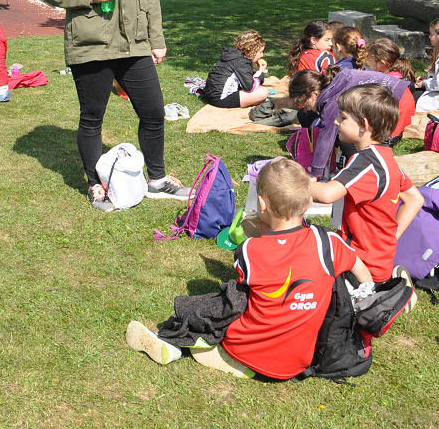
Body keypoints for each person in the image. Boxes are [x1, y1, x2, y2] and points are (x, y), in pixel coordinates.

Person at [127, 158, 373, 379]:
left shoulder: (250, 250)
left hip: (247, 351)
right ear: (309, 202)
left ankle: (181, 341)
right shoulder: (328, 242)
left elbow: (239, 300)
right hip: (299, 361)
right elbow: (362, 273)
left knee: (224, 302)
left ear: (262, 204)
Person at [41, 0, 188, 211]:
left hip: (134, 41)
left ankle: (157, 180)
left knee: (153, 112)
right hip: (91, 42)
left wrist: (156, 38)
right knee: (93, 117)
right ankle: (97, 185)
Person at [310, 84, 425, 287]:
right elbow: (415, 199)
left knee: (306, 245)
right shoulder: (386, 158)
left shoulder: (365, 163)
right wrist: (392, 238)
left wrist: (292, 180)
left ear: (363, 125)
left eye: (343, 118)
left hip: (361, 266)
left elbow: (327, 194)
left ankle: (386, 296)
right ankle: (390, 289)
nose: (336, 121)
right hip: (380, 262)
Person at [289, 67, 416, 177]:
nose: (309, 109)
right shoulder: (335, 82)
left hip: (398, 102)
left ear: (314, 94)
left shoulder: (332, 102)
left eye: (306, 104)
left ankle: (366, 173)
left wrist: (315, 172)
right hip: (401, 94)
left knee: (358, 140)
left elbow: (326, 138)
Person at [203, 29, 269, 109]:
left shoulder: (233, 55)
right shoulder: (243, 62)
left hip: (210, 94)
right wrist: (261, 72)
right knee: (263, 92)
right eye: (260, 52)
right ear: (253, 51)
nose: (262, 55)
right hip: (220, 99)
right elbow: (250, 87)